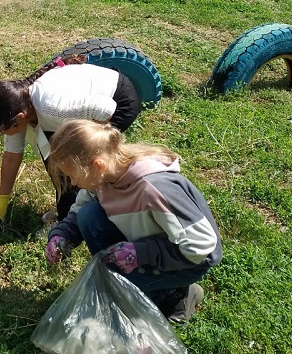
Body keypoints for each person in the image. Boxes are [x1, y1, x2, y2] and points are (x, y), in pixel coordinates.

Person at [44, 120, 222, 323]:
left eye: (73, 175)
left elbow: (201, 247)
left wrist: (142, 253)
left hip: (188, 261)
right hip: (148, 244)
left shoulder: (155, 188)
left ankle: (176, 296)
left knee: (113, 285)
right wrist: (62, 234)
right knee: (88, 215)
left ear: (97, 164)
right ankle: (137, 285)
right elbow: (80, 210)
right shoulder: (103, 176)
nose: (73, 182)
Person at [0, 55, 141, 231]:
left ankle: (76, 222)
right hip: (93, 106)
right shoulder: (20, 105)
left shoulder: (50, 108)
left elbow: (106, 108)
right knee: (57, 162)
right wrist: (2, 201)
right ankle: (70, 211)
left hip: (118, 102)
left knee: (77, 164)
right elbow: (11, 156)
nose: (0, 134)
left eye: (0, 130)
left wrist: (87, 142)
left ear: (20, 118)